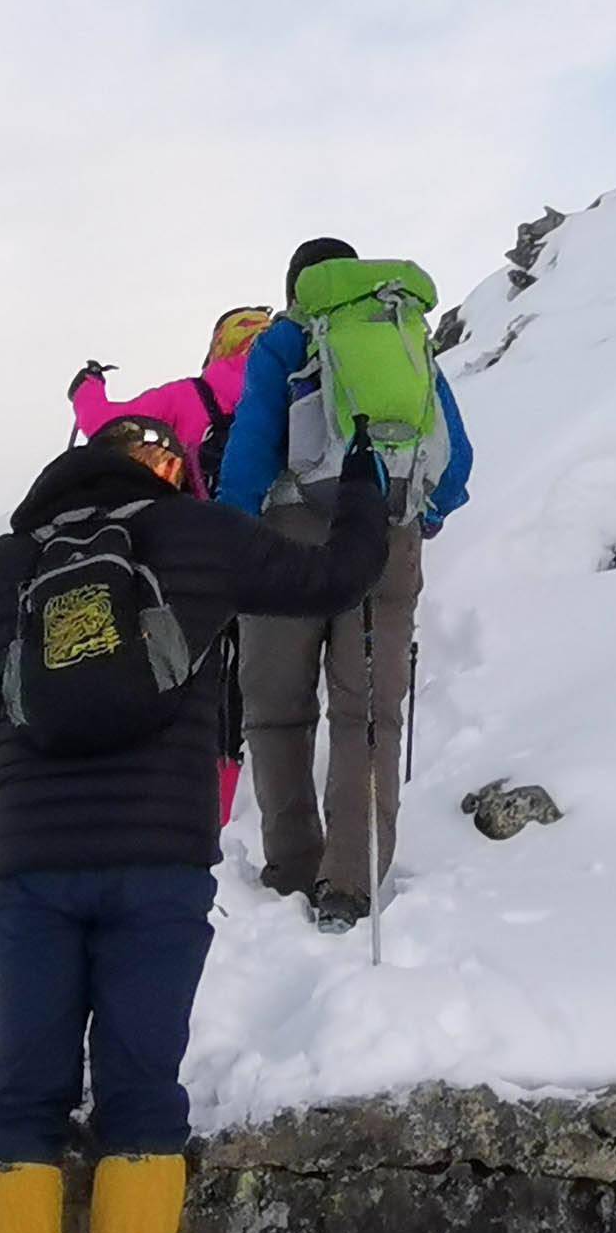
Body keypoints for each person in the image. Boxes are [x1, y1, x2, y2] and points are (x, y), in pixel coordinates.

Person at [0, 414, 379, 1233]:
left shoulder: (10, 561)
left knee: (24, 1092)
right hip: (159, 860)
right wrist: (367, 480)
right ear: (162, 471)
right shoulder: (198, 535)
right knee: (139, 1091)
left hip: (30, 862)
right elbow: (335, 580)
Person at [217, 236, 476, 929]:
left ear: (297, 284)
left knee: (276, 709)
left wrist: (228, 536)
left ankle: (294, 868)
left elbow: (251, 444)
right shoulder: (400, 329)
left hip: (288, 538)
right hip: (386, 534)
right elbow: (457, 458)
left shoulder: (288, 338)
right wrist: (421, 516)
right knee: (369, 712)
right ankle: (352, 883)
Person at [62, 304, 274, 494]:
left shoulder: (188, 394)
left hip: (206, 522)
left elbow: (105, 425)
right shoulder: (289, 387)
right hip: (289, 521)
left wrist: (88, 386)